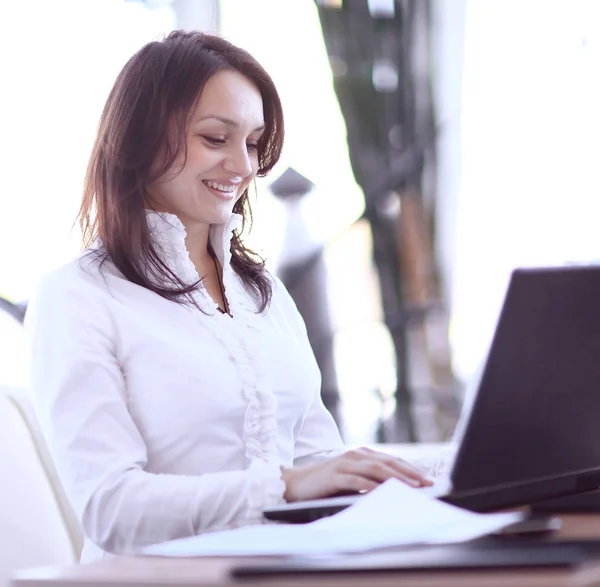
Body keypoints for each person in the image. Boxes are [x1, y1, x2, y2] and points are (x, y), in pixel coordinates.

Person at [25, 30, 431, 563]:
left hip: (293, 571)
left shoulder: (265, 296)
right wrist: (283, 489)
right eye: (216, 139)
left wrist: (400, 481)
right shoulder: (77, 297)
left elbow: (317, 458)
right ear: (140, 140)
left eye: (254, 142)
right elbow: (110, 507)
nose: (243, 166)